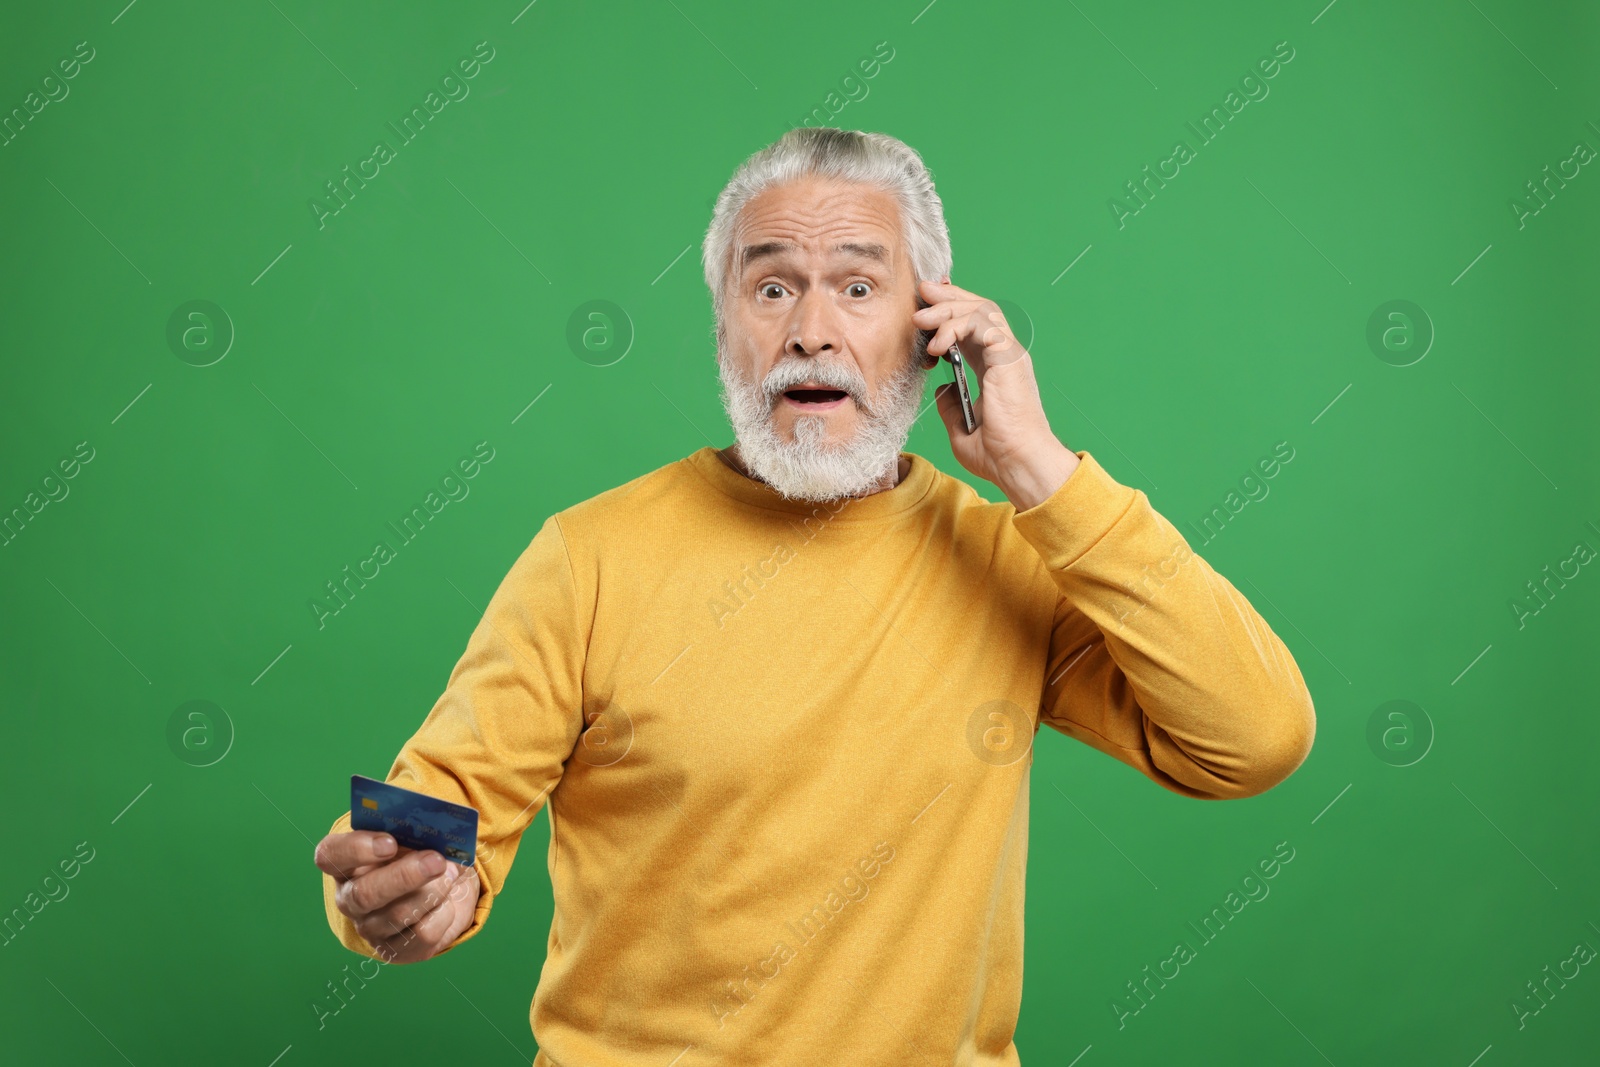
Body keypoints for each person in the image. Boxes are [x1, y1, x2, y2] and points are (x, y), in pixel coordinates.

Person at [313, 126, 1316, 1065]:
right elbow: (436, 807)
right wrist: (399, 888)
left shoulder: (1009, 557)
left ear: (933, 323)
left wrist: (1040, 468)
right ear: (723, 328)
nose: (810, 332)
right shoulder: (588, 555)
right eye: (772, 288)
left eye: (858, 285)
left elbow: (1255, 735)